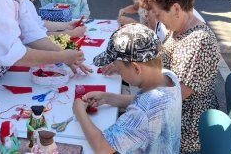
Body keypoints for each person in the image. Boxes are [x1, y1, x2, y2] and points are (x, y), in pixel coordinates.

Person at [139, 0, 220, 153]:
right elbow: (159, 62)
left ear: (176, 9)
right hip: (172, 116)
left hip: (186, 130)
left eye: (159, 14)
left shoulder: (199, 41)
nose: (158, 20)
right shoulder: (176, 30)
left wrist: (122, 99)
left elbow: (173, 97)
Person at [73, 23, 182, 154]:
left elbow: (103, 148)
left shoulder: (142, 113)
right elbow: (146, 103)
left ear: (136, 68)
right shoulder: (168, 76)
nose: (120, 74)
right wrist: (108, 98)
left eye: (119, 69)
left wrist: (80, 113)